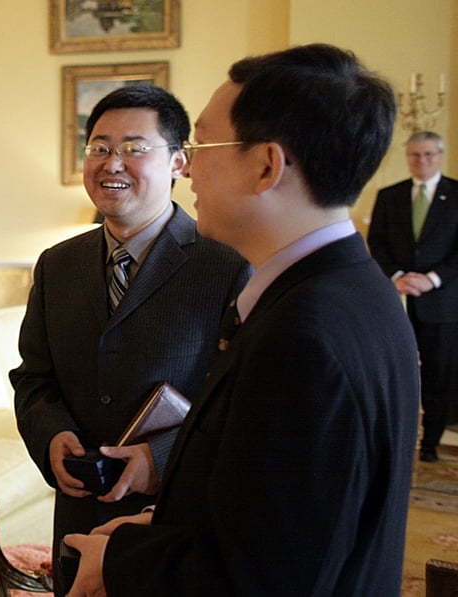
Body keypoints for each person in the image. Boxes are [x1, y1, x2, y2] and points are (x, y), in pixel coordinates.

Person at [66, 43, 420, 596]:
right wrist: (161, 528)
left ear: (266, 166)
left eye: (203, 143)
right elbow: (280, 523)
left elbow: (262, 579)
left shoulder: (304, 337)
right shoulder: (353, 288)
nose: (189, 164)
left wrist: (120, 562)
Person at [9, 84, 250, 595]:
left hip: (173, 520)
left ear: (179, 163)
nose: (111, 163)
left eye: (134, 149)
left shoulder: (226, 263)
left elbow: (241, 402)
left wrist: (159, 459)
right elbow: (34, 379)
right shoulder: (58, 264)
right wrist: (52, 436)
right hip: (78, 512)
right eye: (99, 147)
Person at [368, 130, 458, 463]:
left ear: (440, 156)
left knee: (438, 375)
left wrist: (430, 280)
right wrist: (398, 276)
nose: (422, 161)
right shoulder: (390, 195)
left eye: (429, 155)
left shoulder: (456, 194)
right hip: (398, 299)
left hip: (442, 304)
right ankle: (397, 438)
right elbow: (376, 243)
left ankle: (430, 444)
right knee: (397, 373)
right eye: (416, 155)